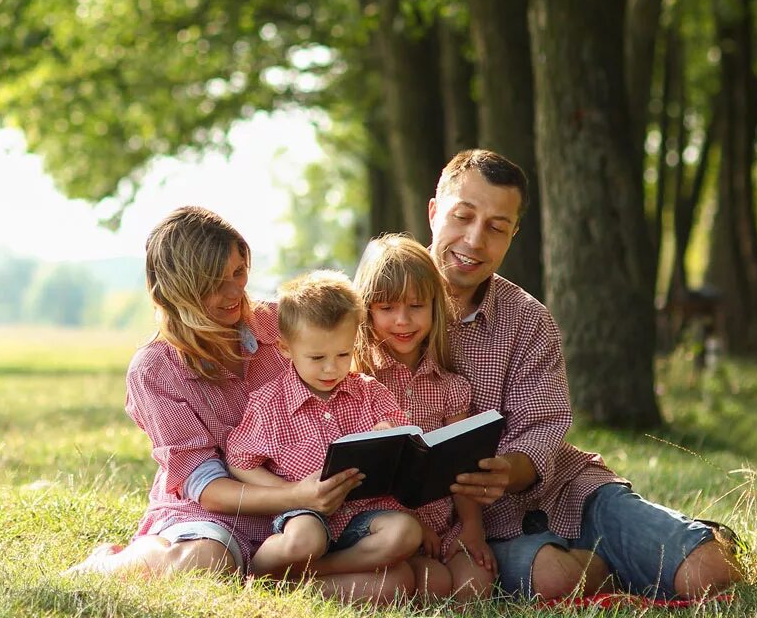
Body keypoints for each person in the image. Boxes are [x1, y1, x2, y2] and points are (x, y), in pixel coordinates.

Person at [427, 149, 743, 600]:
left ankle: (682, 540)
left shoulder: (528, 319)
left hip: (565, 491)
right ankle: (610, 564)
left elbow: (542, 432)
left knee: (711, 571)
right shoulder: (376, 305)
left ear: (512, 235)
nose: (475, 240)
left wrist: (506, 470)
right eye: (463, 217)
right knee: (558, 579)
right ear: (435, 212)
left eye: (497, 228)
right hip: (477, 530)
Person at [66, 206, 415, 604]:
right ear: (177, 289)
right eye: (214, 283)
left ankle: (271, 582)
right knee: (207, 558)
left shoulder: (276, 324)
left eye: (238, 271)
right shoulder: (154, 369)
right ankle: (111, 566)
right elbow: (209, 488)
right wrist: (298, 494)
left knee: (393, 584)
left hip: (309, 521)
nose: (235, 293)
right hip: (214, 517)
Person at [224, 270, 422, 591]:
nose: (331, 368)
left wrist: (389, 432)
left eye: (343, 354)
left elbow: (403, 437)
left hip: (363, 517)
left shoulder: (369, 393)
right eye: (317, 357)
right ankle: (258, 572)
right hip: (304, 513)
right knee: (305, 539)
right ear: (285, 349)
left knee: (405, 533)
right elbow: (239, 460)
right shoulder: (269, 404)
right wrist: (288, 492)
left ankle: (306, 578)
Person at [353, 233, 495, 602]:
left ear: (435, 307)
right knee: (434, 585)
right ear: (367, 310)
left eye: (416, 306)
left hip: (442, 522)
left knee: (476, 585)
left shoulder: (451, 387)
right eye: (387, 308)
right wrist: (412, 524)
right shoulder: (358, 384)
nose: (403, 321)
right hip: (384, 526)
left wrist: (473, 528)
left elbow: (461, 468)